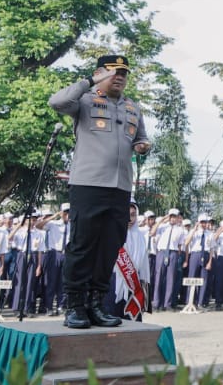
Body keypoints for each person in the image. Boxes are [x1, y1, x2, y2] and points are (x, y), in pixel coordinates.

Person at [49, 53, 149, 329]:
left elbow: (140, 136)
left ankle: (96, 304)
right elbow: (56, 102)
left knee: (109, 248)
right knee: (82, 245)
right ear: (99, 73)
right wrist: (88, 81)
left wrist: (143, 144)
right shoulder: (84, 99)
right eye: (113, 72)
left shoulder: (132, 107)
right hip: (88, 184)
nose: (119, 77)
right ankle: (75, 306)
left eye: (124, 73)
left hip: (120, 187)